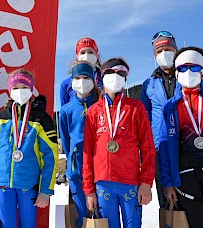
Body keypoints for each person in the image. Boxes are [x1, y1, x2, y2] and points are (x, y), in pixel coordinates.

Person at [83, 58, 155, 228]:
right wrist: (89, 190)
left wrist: (146, 182)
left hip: (130, 182)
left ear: (125, 78)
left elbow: (148, 147)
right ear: (102, 76)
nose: (115, 77)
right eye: (110, 72)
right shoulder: (93, 111)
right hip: (103, 184)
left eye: (121, 73)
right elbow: (87, 152)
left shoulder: (136, 108)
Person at [0, 69, 58, 228]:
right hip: (2, 185)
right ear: (9, 91)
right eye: (15, 88)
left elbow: (51, 156)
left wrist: (46, 191)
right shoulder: (1, 117)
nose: (19, 91)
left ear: (31, 89)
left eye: (24, 87)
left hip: (28, 185)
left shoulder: (41, 119)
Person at [159, 47, 203, 228]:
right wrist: (168, 184)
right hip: (186, 178)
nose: (188, 73)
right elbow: (164, 149)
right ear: (176, 74)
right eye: (183, 68)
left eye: (194, 68)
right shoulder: (170, 107)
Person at [59, 61, 101, 228]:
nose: (82, 82)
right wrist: (72, 161)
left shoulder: (101, 104)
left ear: (93, 80)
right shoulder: (67, 110)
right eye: (77, 78)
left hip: (100, 169)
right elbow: (66, 141)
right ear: (72, 81)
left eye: (86, 77)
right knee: (82, 215)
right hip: (77, 170)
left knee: (102, 215)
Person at [141, 30, 178, 208]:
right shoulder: (149, 84)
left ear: (176, 50)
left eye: (168, 49)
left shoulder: (189, 75)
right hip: (160, 147)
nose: (164, 54)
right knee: (167, 201)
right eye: (159, 51)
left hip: (186, 143)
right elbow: (145, 118)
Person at [60, 37, 103, 106]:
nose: (86, 55)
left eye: (90, 52)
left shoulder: (106, 78)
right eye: (82, 52)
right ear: (77, 56)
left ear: (97, 55)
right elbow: (65, 110)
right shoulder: (66, 84)